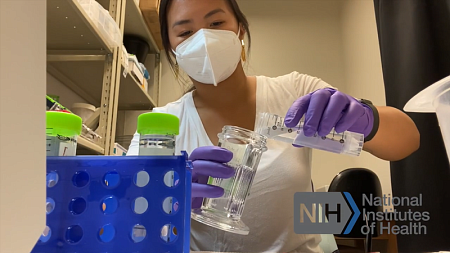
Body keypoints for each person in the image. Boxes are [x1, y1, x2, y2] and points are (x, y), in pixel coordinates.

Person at [127, 0, 420, 252]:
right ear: (172, 48)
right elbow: (128, 220)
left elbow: (408, 140)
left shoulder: (295, 91)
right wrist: (169, 199)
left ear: (240, 28)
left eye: (216, 22)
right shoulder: (160, 127)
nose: (204, 40)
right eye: (186, 32)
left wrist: (366, 119)